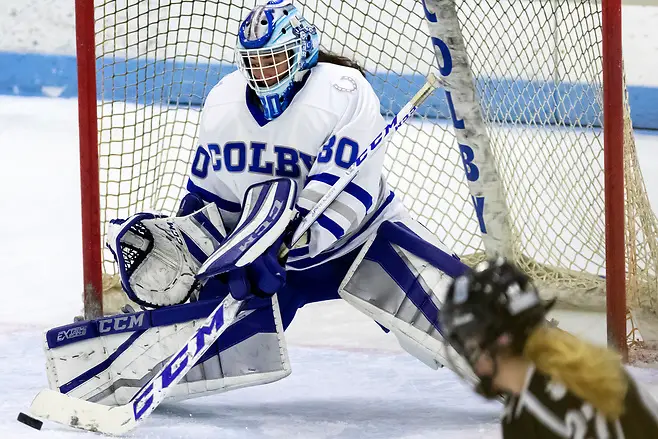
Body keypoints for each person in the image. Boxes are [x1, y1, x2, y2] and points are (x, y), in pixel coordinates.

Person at [40, 0, 475, 406]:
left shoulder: (344, 92)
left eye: (274, 59)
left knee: (471, 335)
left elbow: (346, 196)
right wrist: (210, 259)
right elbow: (207, 198)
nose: (263, 71)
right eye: (254, 61)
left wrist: (277, 248)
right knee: (189, 346)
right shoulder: (224, 103)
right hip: (265, 266)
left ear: (303, 53)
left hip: (363, 244)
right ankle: (113, 377)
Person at [440, 257, 658, 438]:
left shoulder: (537, 410)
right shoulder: (584, 365)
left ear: (501, 339)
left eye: (470, 341)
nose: (470, 354)